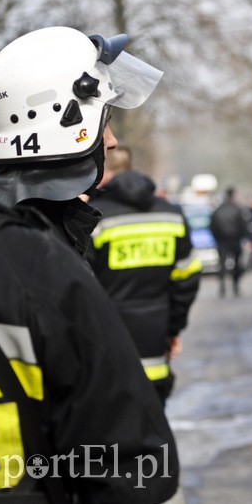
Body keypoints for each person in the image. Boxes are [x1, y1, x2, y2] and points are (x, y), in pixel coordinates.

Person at [0, 26, 179, 504]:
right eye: (104, 122)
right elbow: (137, 467)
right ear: (64, 121)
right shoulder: (37, 265)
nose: (111, 141)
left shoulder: (25, 241)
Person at [88, 145, 202, 405]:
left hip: (106, 352)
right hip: (156, 343)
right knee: (153, 431)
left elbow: (81, 286)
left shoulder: (94, 218)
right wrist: (173, 328)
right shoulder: (171, 215)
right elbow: (188, 279)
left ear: (102, 173)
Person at [209, 186, 249, 297]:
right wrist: (243, 237)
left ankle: (222, 286)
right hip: (235, 240)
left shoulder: (218, 209)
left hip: (221, 241)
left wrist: (216, 238)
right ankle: (235, 286)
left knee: (221, 264)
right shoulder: (238, 209)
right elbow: (243, 225)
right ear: (233, 195)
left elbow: (212, 226)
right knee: (236, 264)